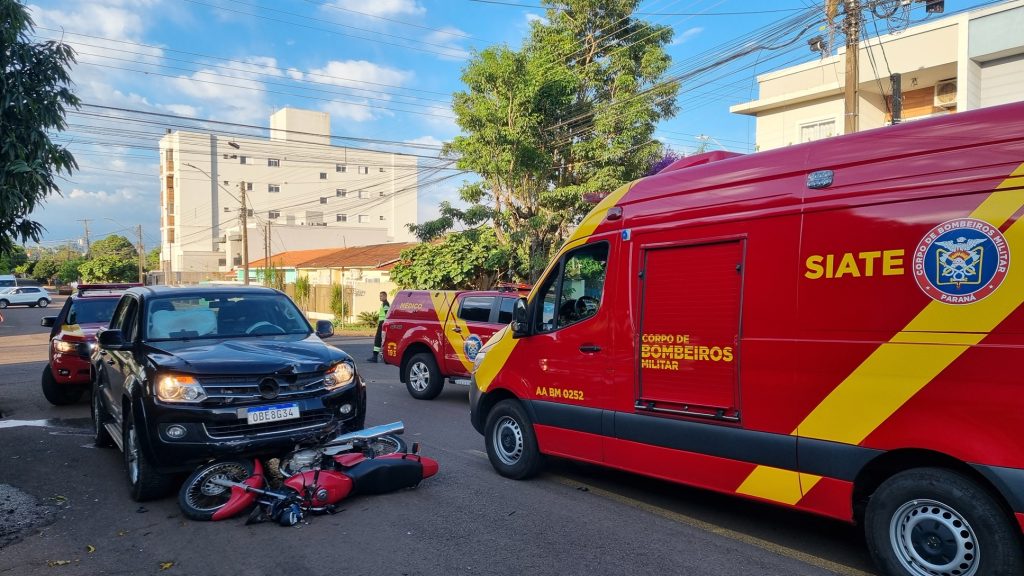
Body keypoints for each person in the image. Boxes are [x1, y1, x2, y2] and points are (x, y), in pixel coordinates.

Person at [366, 291, 390, 363]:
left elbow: (387, 314)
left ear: (385, 296)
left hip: (382, 323)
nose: (380, 297)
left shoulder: (385, 303)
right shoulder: (384, 303)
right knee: (379, 339)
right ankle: (376, 356)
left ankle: (375, 357)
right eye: (380, 296)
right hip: (382, 323)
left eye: (381, 296)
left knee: (378, 339)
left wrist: (384, 323)